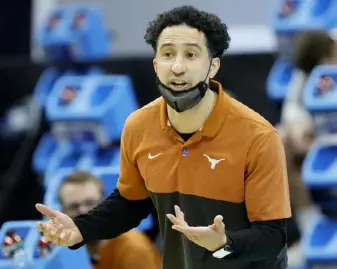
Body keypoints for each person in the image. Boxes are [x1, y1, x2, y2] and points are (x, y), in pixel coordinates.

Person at [35, 6, 291, 269]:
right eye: (168, 54)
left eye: (191, 54)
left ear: (213, 66)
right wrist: (81, 229)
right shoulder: (138, 126)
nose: (177, 66)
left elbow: (272, 238)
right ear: (156, 64)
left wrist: (222, 246)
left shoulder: (258, 136)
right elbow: (130, 204)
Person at [278, 30, 337, 266]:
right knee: (279, 140)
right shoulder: (309, 73)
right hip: (324, 143)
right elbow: (293, 115)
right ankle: (312, 230)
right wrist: (299, 128)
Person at [57, 171, 161, 269]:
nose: (83, 211)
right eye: (73, 206)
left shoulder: (132, 248)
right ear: (62, 212)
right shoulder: (63, 251)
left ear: (105, 204)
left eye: (90, 203)